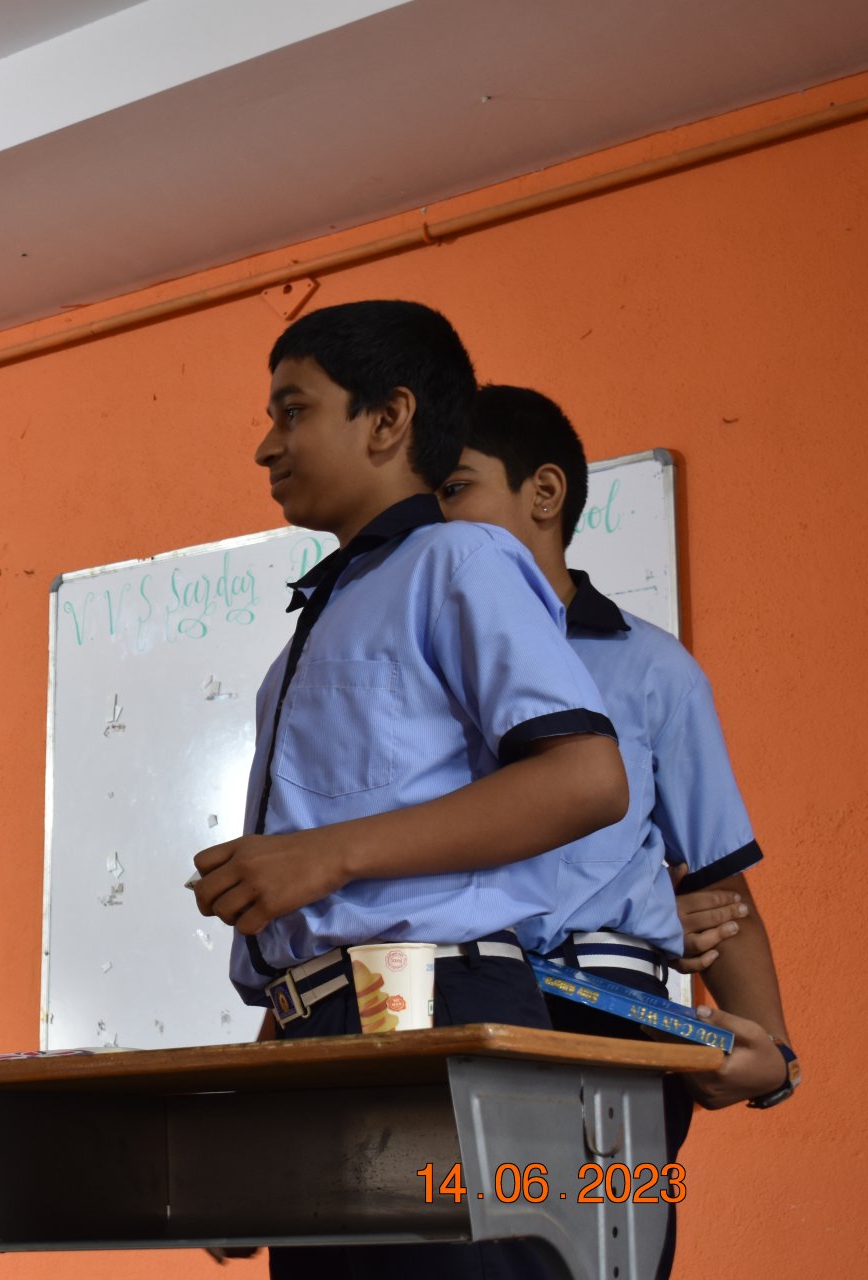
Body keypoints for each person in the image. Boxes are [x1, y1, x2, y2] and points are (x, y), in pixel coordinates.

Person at [190, 301, 629, 1280]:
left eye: (294, 410)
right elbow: (320, 927)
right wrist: (256, 1111)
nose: (267, 445)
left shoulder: (460, 557)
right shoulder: (328, 614)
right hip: (328, 1027)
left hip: (432, 1012)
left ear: (388, 420)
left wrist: (328, 853)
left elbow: (587, 777)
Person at [438, 383, 798, 1277]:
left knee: (601, 1261)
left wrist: (775, 1057)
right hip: (457, 1014)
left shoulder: (652, 668)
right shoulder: (421, 666)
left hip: (611, 1029)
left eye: (454, 489)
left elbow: (718, 882)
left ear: (544, 493)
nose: (434, 521)